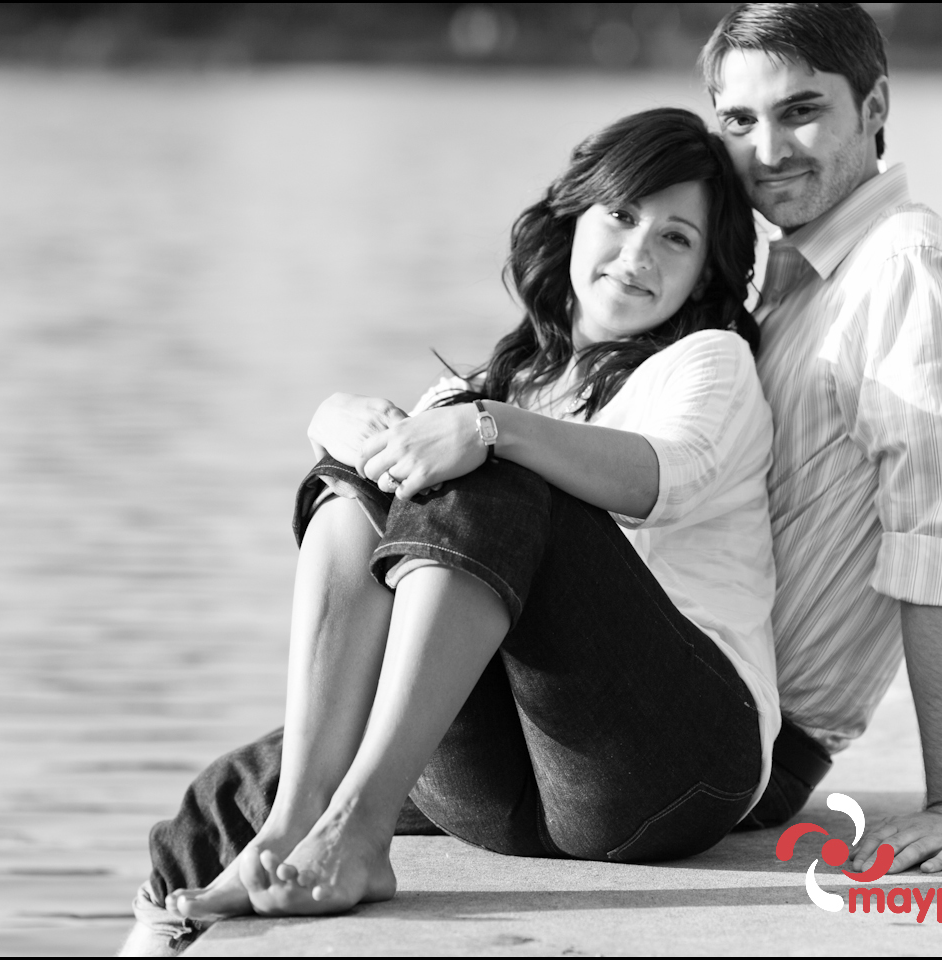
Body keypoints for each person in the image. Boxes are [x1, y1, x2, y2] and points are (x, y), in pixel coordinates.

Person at [120, 107, 779, 955]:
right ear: (574, 218)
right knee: (229, 797)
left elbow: (667, 475)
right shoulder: (499, 381)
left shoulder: (708, 360)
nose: (637, 254)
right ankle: (290, 827)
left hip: (674, 763)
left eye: (675, 238)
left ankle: (356, 830)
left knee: (487, 461)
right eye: (620, 216)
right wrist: (337, 423)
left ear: (706, 269)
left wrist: (492, 428)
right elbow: (391, 495)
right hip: (518, 771)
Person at [698, 2, 942, 873]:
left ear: (875, 106)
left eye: (801, 111)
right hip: (701, 696)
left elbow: (935, 549)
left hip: (735, 740)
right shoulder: (811, 273)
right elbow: (926, 511)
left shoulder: (905, 271)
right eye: (740, 121)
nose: (768, 151)